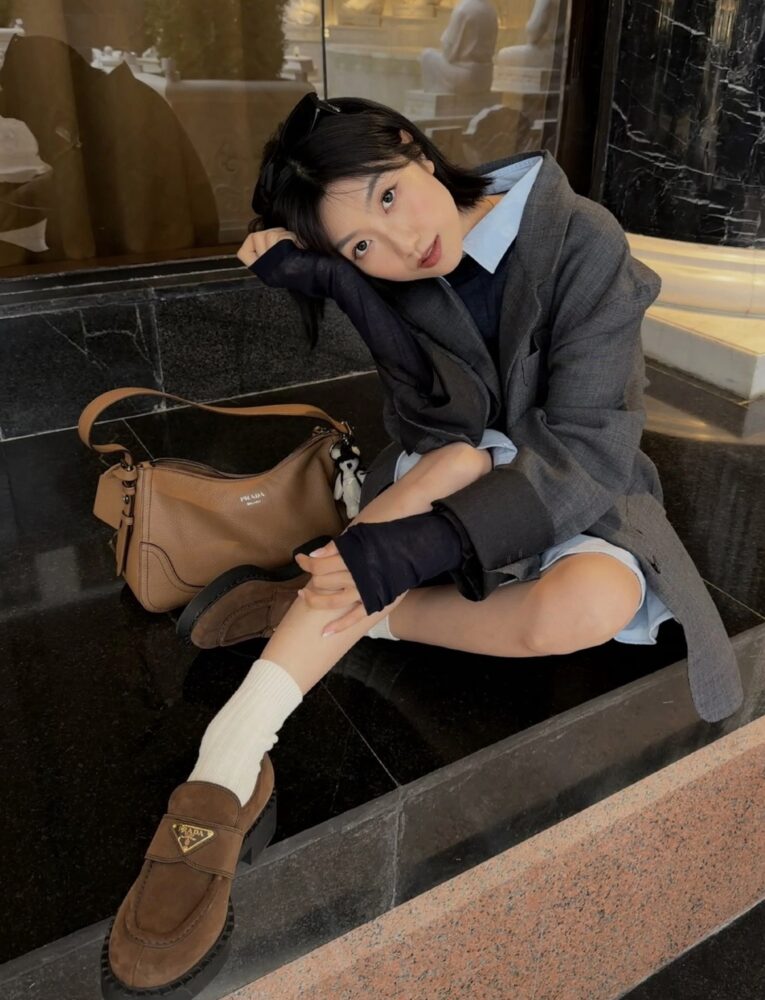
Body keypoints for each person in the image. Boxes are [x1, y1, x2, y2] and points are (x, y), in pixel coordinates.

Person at [102, 92, 744, 999]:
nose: (402, 245)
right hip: (449, 463)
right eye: (362, 244)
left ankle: (352, 616)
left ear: (410, 146)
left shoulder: (580, 238)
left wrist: (424, 548)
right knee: (445, 464)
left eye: (389, 197)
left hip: (570, 481)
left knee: (591, 607)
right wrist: (342, 285)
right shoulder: (389, 266)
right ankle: (225, 764)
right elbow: (433, 412)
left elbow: (593, 444)